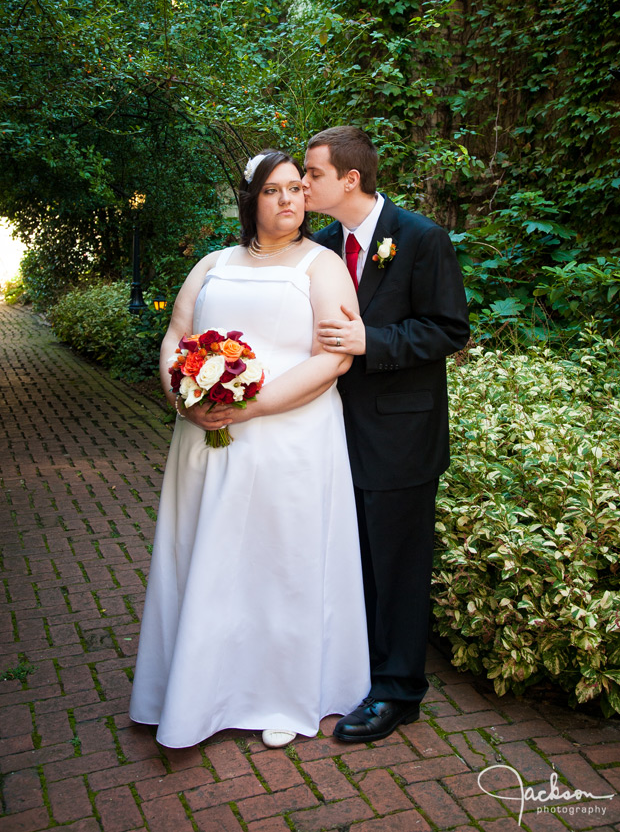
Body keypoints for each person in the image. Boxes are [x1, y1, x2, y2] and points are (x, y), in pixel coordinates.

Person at [129, 150, 370, 749]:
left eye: (296, 188)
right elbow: (176, 336)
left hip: (290, 442)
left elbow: (334, 358)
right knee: (206, 558)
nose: (288, 199)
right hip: (206, 441)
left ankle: (282, 696)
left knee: (279, 564)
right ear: (251, 200)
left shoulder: (323, 265)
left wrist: (252, 407)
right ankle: (196, 689)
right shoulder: (212, 264)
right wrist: (183, 400)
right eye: (273, 190)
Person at [303, 126, 470, 742]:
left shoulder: (422, 238)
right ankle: (353, 671)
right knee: (348, 560)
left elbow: (449, 329)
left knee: (397, 566)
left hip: (400, 436)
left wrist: (374, 342)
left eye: (313, 174)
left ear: (350, 179)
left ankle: (398, 692)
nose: (303, 183)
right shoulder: (319, 247)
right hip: (326, 432)